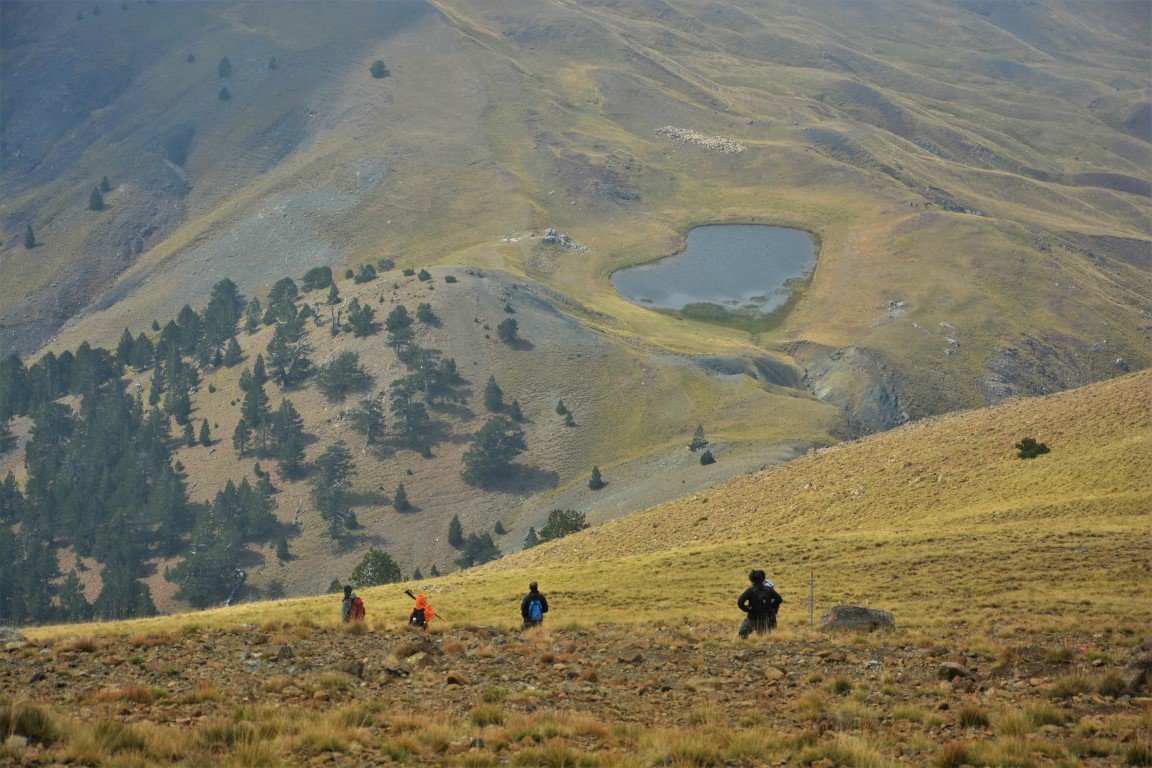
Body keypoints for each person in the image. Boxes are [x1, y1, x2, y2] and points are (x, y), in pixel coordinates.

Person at [737, 569, 783, 638]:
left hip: (752, 617)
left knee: (742, 634)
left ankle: (745, 645)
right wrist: (770, 607)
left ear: (752, 581)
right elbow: (779, 599)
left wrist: (748, 609)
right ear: (763, 580)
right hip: (766, 617)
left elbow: (740, 602)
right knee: (764, 636)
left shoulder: (750, 590)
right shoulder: (769, 589)